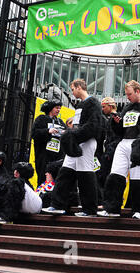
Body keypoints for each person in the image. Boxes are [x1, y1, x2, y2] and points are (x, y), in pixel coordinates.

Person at [97, 80, 140, 220]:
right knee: (115, 175)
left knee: (139, 178)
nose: (128, 97)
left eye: (130, 94)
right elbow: (121, 130)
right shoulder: (127, 108)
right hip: (124, 143)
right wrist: (117, 123)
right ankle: (111, 208)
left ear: (138, 91)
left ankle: (138, 210)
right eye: (126, 94)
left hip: (139, 145)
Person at [42, 78, 103, 217]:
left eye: (73, 89)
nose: (73, 92)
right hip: (76, 141)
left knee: (85, 174)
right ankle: (56, 205)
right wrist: (71, 135)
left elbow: (92, 126)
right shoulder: (82, 104)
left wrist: (73, 135)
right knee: (65, 172)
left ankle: (90, 209)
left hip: (85, 142)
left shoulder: (93, 102)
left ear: (79, 87)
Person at [31, 99, 66, 186]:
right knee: (43, 179)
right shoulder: (41, 119)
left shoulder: (60, 122)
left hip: (58, 157)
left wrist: (65, 133)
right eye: (56, 108)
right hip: (44, 156)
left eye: (59, 108)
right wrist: (47, 131)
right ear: (50, 108)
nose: (58, 110)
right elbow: (34, 134)